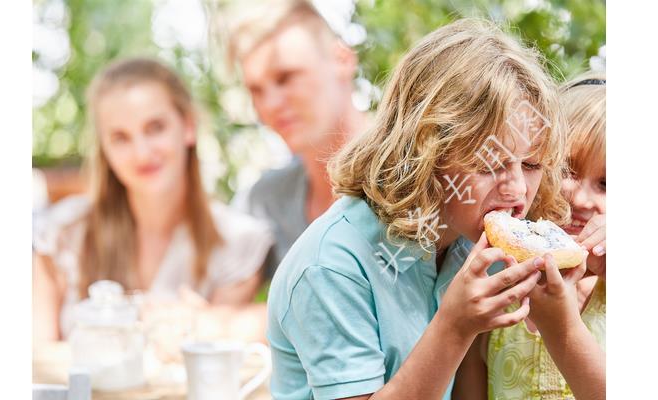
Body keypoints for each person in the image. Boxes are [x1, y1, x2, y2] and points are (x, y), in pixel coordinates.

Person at [266, 18, 575, 399]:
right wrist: (455, 327)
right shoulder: (331, 265)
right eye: (490, 163)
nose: (516, 190)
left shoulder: (468, 241)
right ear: (427, 151)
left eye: (530, 165)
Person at [32, 58, 273, 342]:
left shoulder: (237, 242)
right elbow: (36, 360)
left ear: (187, 127)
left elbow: (219, 359)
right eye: (120, 138)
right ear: (105, 150)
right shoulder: (62, 233)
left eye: (155, 127)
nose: (142, 153)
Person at [453, 72, 607, 400]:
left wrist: (561, 328)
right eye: (567, 171)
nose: (581, 199)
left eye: (607, 184)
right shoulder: (495, 282)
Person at [228, 0, 369, 278]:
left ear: (342, 60)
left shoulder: (418, 174)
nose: (270, 104)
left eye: (285, 78)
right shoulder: (264, 202)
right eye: (256, 90)